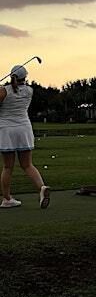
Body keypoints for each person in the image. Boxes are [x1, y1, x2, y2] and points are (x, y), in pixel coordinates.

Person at [0, 65, 50, 209]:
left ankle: (7, 198)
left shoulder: (4, 91)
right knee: (27, 165)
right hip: (24, 129)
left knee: (8, 166)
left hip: (7, 130)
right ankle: (41, 187)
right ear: (25, 77)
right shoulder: (29, 91)